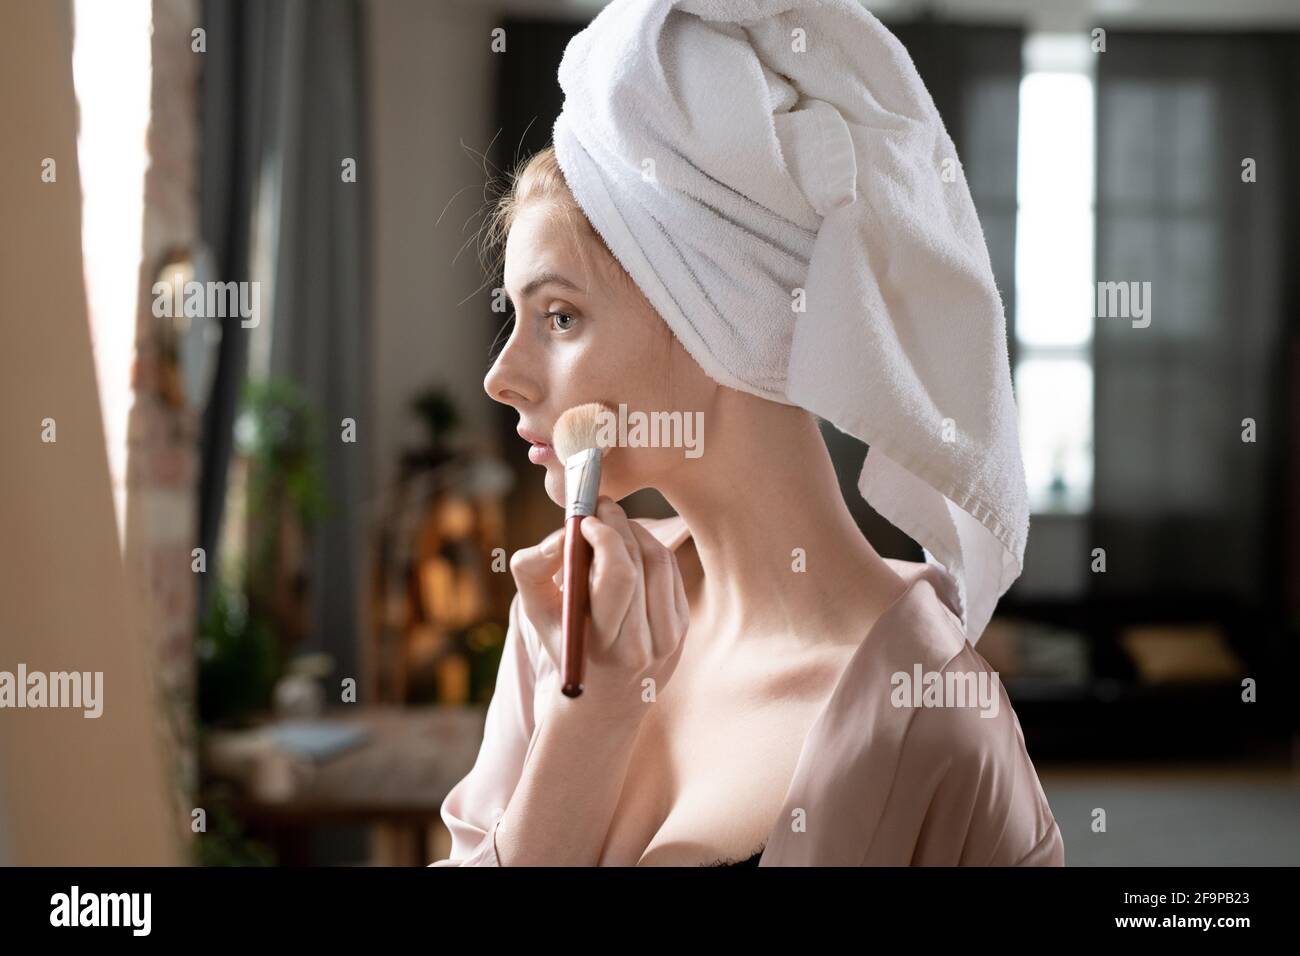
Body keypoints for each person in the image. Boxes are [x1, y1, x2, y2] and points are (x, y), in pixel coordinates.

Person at [431, 0, 1063, 866]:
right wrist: (589, 721)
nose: (501, 376)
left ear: (718, 321)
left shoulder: (938, 718)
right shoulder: (571, 622)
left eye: (561, 316)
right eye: (518, 317)